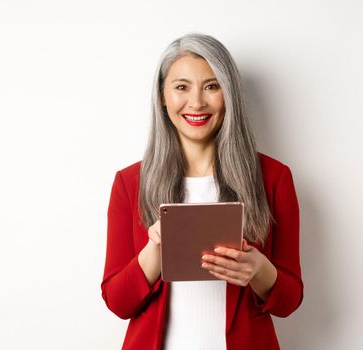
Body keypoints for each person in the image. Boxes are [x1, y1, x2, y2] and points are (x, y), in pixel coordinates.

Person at [101, 33, 304, 350]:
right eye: (182, 87)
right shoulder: (130, 182)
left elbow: (289, 302)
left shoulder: (274, 178)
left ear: (229, 94)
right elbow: (117, 302)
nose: (196, 102)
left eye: (212, 86)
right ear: (163, 96)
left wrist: (259, 270)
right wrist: (154, 251)